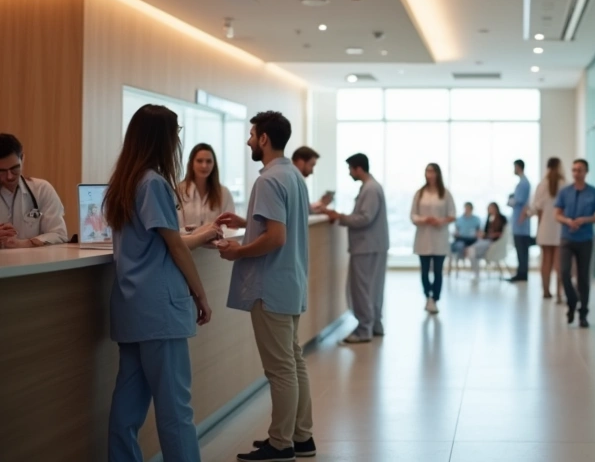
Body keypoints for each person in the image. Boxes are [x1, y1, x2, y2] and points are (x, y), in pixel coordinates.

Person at [105, 104, 221, 462]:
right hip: (159, 311)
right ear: (163, 138)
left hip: (131, 308)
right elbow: (174, 246)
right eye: (176, 134)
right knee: (175, 410)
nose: (178, 142)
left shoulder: (125, 180)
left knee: (127, 409)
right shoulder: (154, 182)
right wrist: (200, 294)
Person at [216, 111, 315, 461]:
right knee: (293, 361)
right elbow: (278, 226)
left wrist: (237, 251)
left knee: (280, 368)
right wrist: (248, 222)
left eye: (251, 134)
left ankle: (281, 443)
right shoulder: (293, 176)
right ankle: (301, 436)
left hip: (270, 286)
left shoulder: (268, 180)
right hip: (290, 283)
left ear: (263, 139)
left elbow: (275, 237)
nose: (248, 141)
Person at [328, 153, 389, 344]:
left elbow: (365, 218)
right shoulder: (372, 187)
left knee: (362, 289)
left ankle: (364, 329)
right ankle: (375, 325)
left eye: (350, 169)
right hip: (373, 245)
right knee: (373, 288)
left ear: (358, 168)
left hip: (366, 246)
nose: (349, 173)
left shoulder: (370, 189)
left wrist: (340, 217)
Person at [554, 159, 595, 328]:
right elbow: (557, 214)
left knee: (583, 277)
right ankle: (572, 301)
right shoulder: (565, 192)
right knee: (564, 272)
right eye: (574, 169)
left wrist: (585, 220)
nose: (576, 173)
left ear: (586, 172)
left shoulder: (594, 192)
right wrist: (568, 221)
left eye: (580, 170)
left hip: (585, 239)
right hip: (567, 238)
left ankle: (583, 313)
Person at [0, 133, 68, 248]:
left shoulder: (41, 190)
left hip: (34, 263)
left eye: (14, 168)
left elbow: (59, 234)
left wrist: (25, 243)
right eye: (1, 171)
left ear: (23, 159)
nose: (9, 176)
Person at [411, 163, 456, 314]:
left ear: (437, 174)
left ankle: (434, 298)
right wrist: (424, 220)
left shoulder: (445, 194)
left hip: (439, 237)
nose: (429, 174)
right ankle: (427, 295)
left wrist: (440, 221)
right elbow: (413, 215)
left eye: (432, 171)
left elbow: (452, 215)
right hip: (423, 237)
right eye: (427, 171)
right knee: (424, 271)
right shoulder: (420, 193)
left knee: (437, 271)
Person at [525, 157, 565, 301]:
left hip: (544, 228)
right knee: (558, 262)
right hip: (560, 227)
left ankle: (546, 291)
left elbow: (536, 208)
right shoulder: (564, 185)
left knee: (545, 261)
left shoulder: (542, 185)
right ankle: (559, 293)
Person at [177, 143, 236, 230]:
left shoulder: (224, 193)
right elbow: (175, 226)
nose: (204, 165)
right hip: (187, 243)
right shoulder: (179, 191)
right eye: (199, 161)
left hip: (216, 243)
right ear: (191, 163)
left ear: (214, 164)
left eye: (208, 161)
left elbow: (230, 227)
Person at [506, 159, 532, 282]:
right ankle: (521, 273)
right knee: (520, 250)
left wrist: (511, 201)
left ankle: (522, 274)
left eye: (515, 167)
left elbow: (520, 201)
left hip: (521, 223)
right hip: (519, 222)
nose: (514, 170)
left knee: (522, 250)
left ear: (518, 167)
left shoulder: (523, 183)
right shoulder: (522, 182)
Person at [468, 202, 507, 277]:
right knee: (471, 251)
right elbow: (485, 233)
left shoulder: (502, 218)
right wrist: (481, 234)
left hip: (495, 242)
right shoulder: (489, 218)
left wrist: (491, 235)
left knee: (472, 250)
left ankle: (476, 273)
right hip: (486, 240)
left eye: (491, 208)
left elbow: (502, 233)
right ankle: (475, 272)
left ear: (496, 208)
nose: (489, 210)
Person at [292, 146, 334, 213]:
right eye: (311, 165)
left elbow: (303, 210)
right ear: (300, 162)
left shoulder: (295, 181)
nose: (312, 171)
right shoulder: (292, 182)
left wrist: (320, 204)